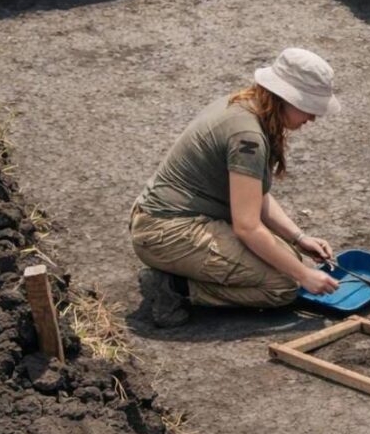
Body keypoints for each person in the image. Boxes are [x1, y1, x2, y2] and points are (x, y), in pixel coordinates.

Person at [130, 48, 341, 327]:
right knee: (284, 285)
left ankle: (182, 278)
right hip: (167, 232)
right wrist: (303, 275)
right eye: (309, 108)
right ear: (286, 98)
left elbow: (256, 195)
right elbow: (247, 227)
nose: (312, 118)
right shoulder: (248, 137)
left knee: (290, 258)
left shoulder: (249, 106)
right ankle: (173, 287)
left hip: (175, 222)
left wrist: (298, 237)